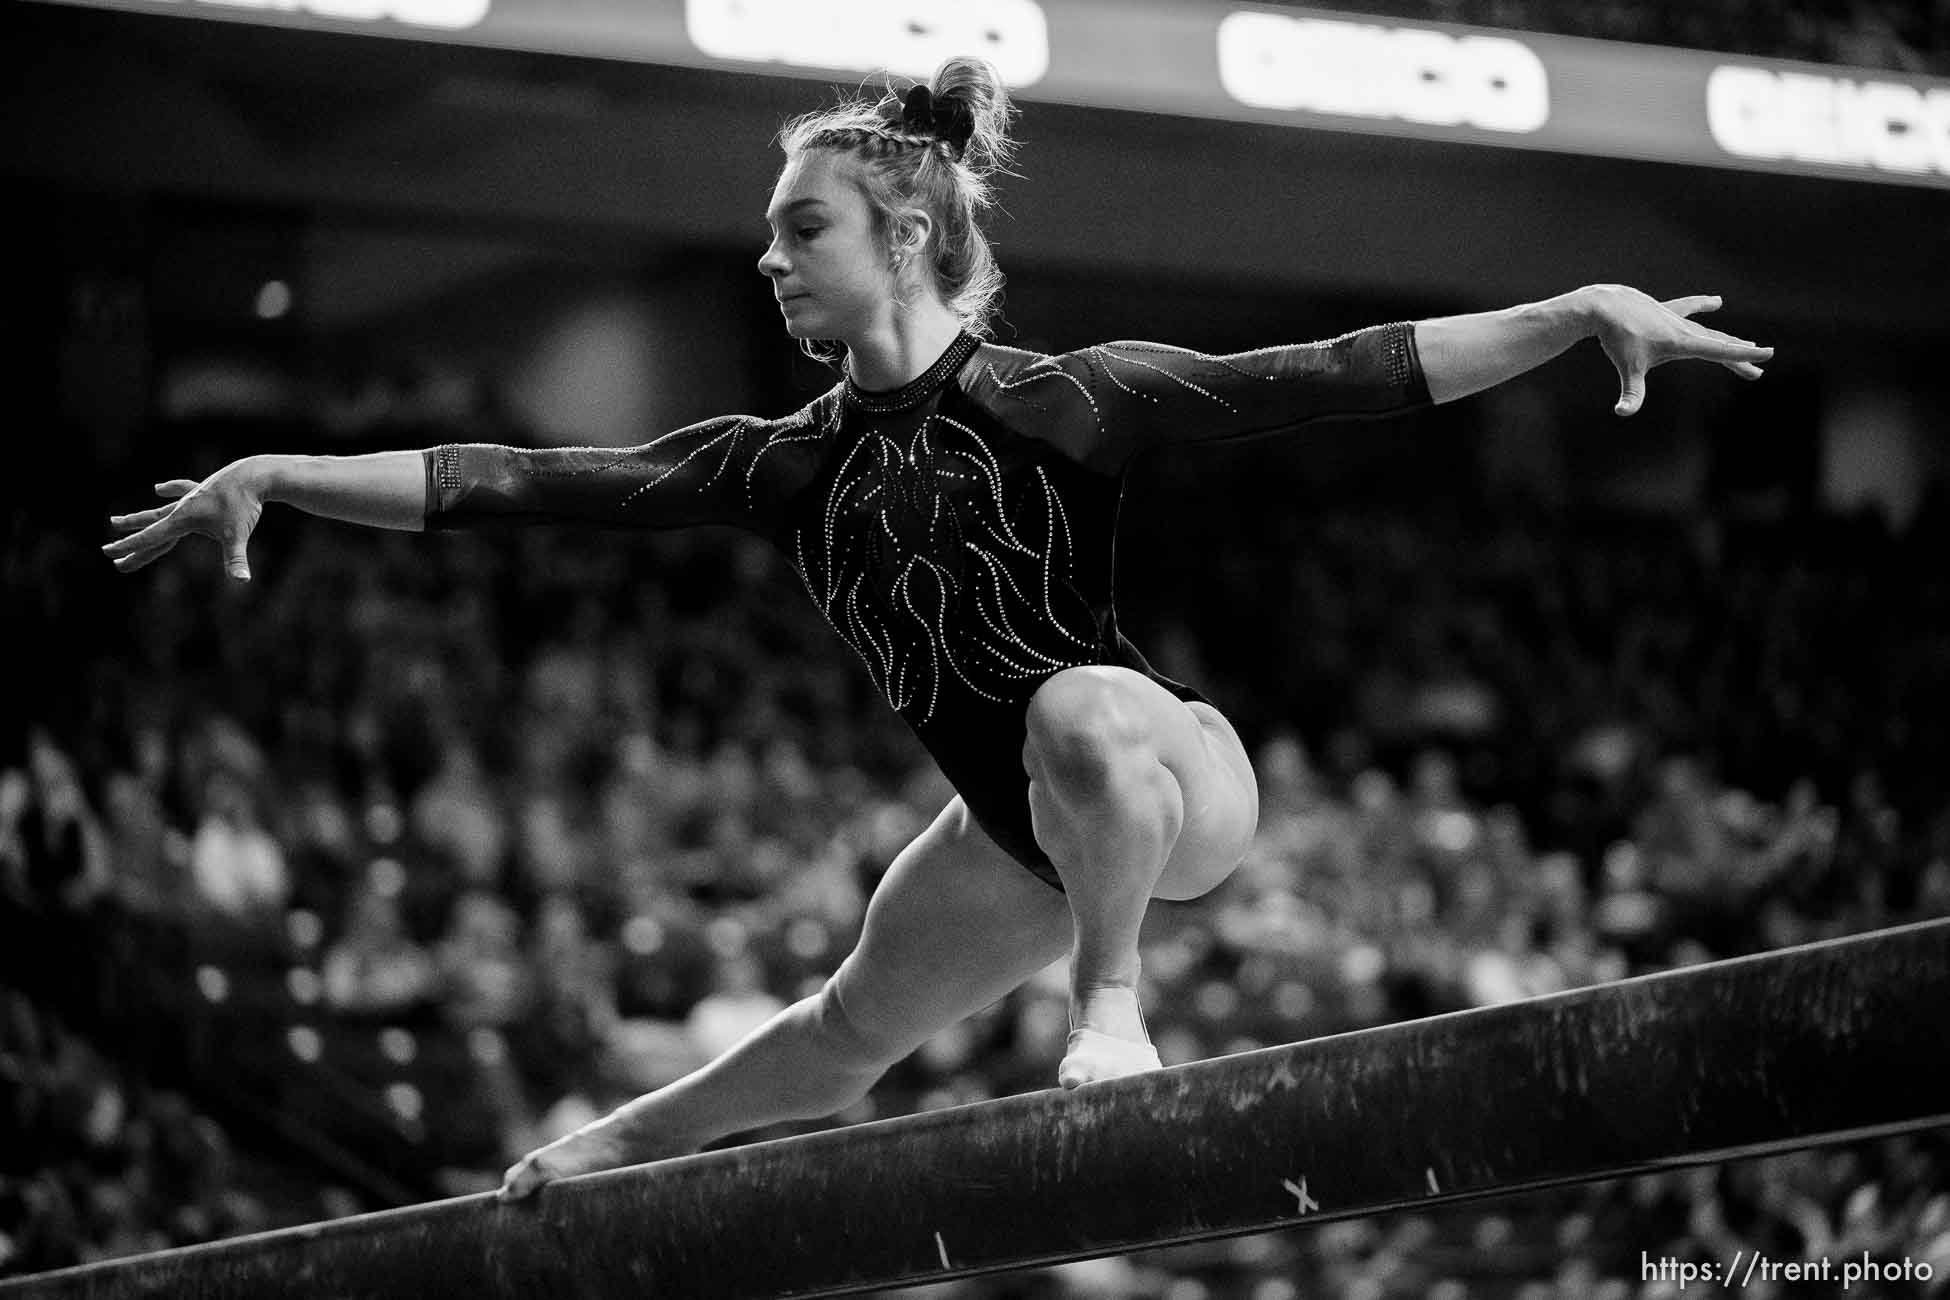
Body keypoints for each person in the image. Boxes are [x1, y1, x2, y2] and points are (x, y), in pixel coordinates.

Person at [102, 56, 1772, 1200]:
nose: (766, 260)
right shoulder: (775, 467)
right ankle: (613, 1144)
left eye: (798, 227)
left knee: (1078, 715)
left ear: (904, 234)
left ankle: (1109, 1012)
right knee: (845, 1029)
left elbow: (1343, 371)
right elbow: (514, 477)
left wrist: (1566, 312)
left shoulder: (1067, 398)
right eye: (767, 234)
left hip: (1172, 781)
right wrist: (279, 470)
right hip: (1014, 829)